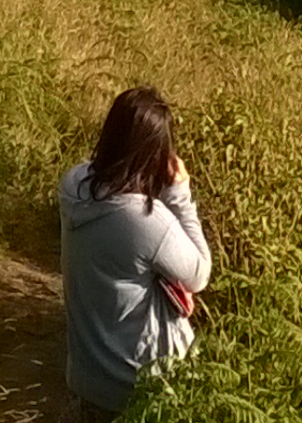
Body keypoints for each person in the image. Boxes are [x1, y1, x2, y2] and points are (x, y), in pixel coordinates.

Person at [61, 86, 211, 414]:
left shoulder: (72, 185)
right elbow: (199, 273)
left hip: (85, 377)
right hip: (137, 387)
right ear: (153, 153)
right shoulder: (145, 219)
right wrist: (179, 195)